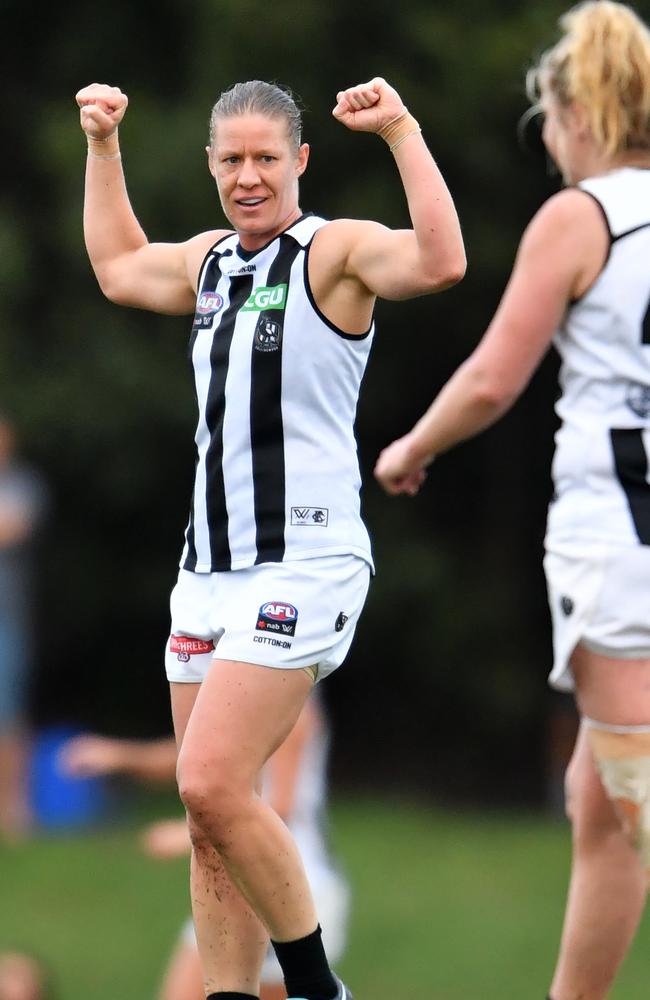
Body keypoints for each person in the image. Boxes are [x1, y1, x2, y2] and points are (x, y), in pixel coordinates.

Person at [74, 73, 465, 1000]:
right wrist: (102, 147)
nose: (249, 176)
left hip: (305, 561)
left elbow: (443, 261)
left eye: (265, 158)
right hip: (205, 570)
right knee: (209, 824)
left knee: (211, 781)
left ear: (300, 160)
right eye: (231, 160)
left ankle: (316, 987)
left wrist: (404, 130)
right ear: (211, 166)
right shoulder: (211, 262)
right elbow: (119, 267)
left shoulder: (334, 252)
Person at [374, 3, 650, 998]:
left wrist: (412, 444)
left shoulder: (581, 217)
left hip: (618, 543)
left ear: (579, 108)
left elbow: (495, 376)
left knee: (630, 799)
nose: (544, 136)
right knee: (596, 802)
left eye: (547, 113)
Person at [61, 694, 349, 1000]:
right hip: (237, 885)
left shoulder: (294, 701)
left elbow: (281, 805)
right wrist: (120, 756)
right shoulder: (252, 687)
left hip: (289, 887)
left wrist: (187, 834)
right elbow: (201, 759)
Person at [0, 416, 48, 840]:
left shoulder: (21, 485)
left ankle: (14, 811)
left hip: (6, 617)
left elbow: (12, 528)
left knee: (9, 714)